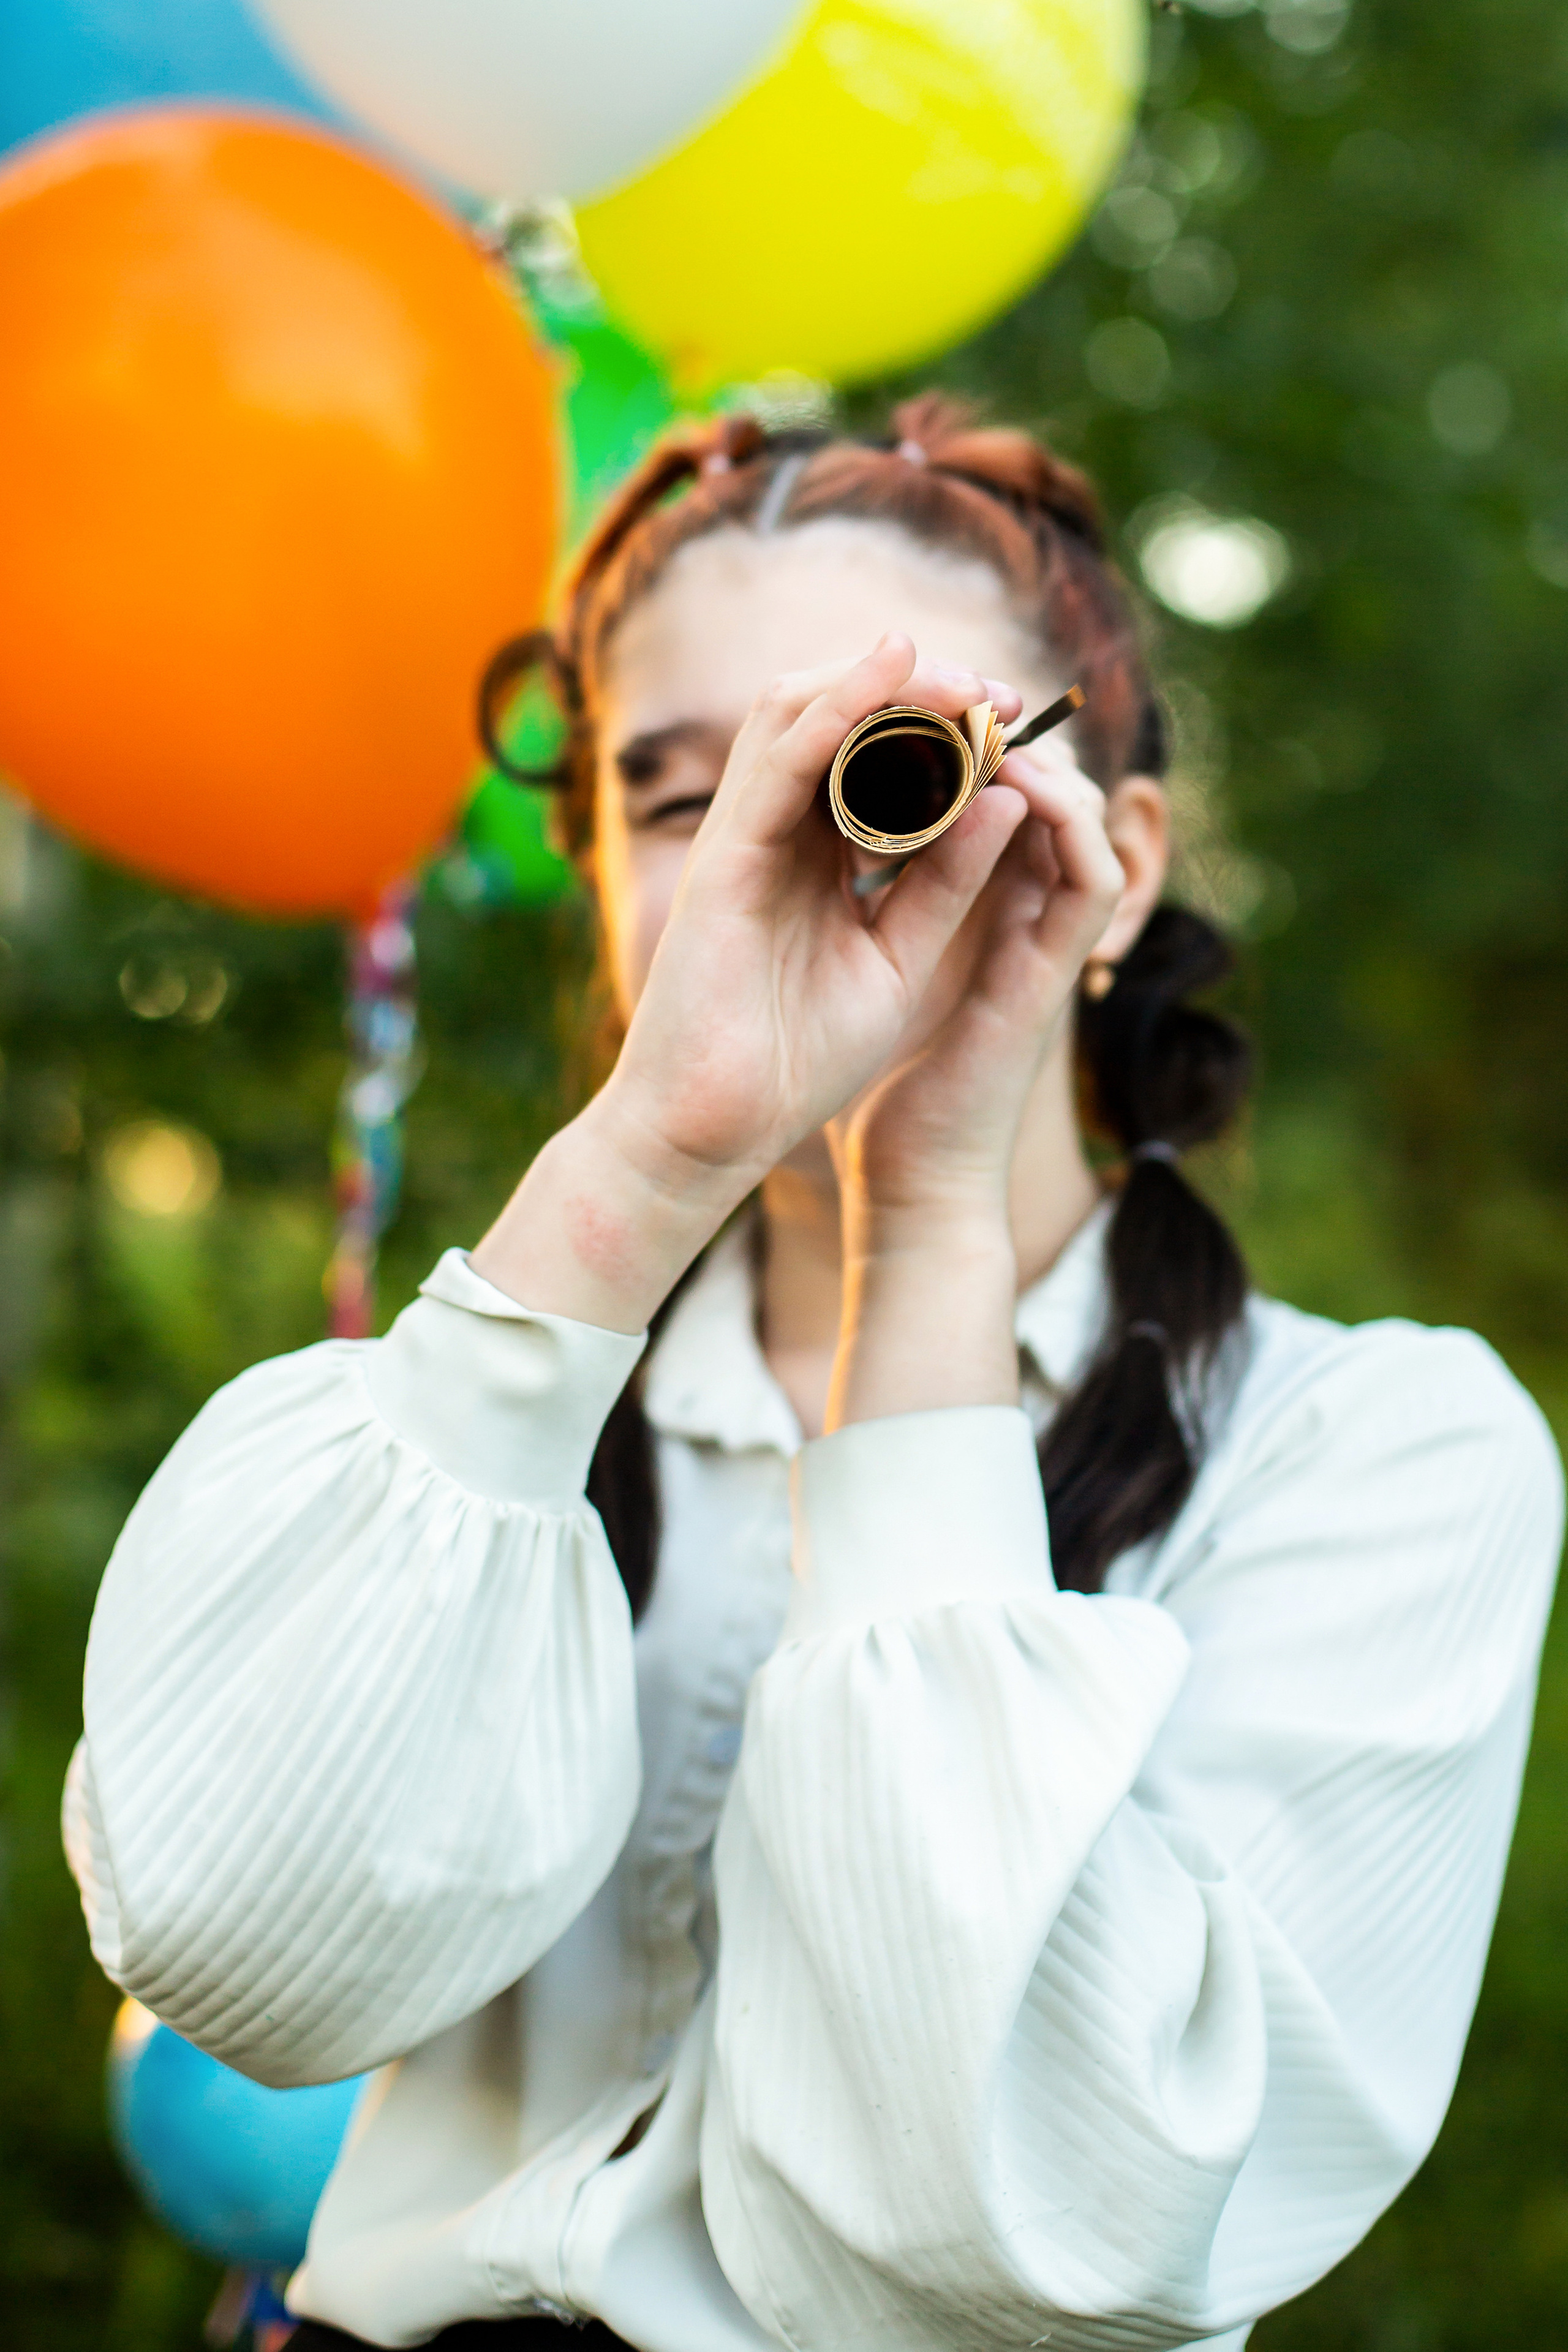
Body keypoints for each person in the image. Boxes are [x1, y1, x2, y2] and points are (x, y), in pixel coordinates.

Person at [66, 397, 1562, 2352]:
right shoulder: (482, 1417)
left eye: (893, 768)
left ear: (1109, 868)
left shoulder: (1365, 1448)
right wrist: (636, 1172)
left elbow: (1067, 2225)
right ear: (601, 879)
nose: (787, 849)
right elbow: (243, 1955)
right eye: (681, 798)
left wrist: (923, 1217)